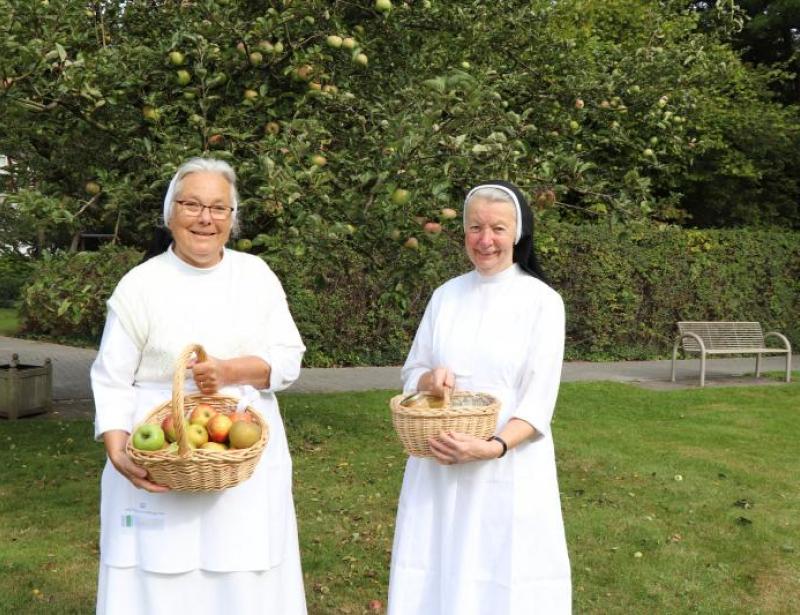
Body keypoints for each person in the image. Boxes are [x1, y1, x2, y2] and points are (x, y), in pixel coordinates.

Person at [90, 157, 307, 614]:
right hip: (160, 456)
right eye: (192, 205)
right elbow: (111, 377)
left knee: (244, 572)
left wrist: (230, 372)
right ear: (170, 215)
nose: (205, 219)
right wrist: (116, 448)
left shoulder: (256, 277)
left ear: (232, 219)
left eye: (219, 208)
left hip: (242, 456)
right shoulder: (140, 285)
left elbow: (288, 359)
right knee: (158, 575)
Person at [387, 181, 571, 614]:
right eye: (475, 227)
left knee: (502, 573)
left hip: (507, 467)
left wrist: (490, 447)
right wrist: (430, 380)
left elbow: (538, 400)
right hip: (440, 461)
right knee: (435, 568)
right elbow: (412, 374)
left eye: (498, 228)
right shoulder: (445, 295)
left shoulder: (542, 302)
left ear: (518, 233)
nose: (485, 240)